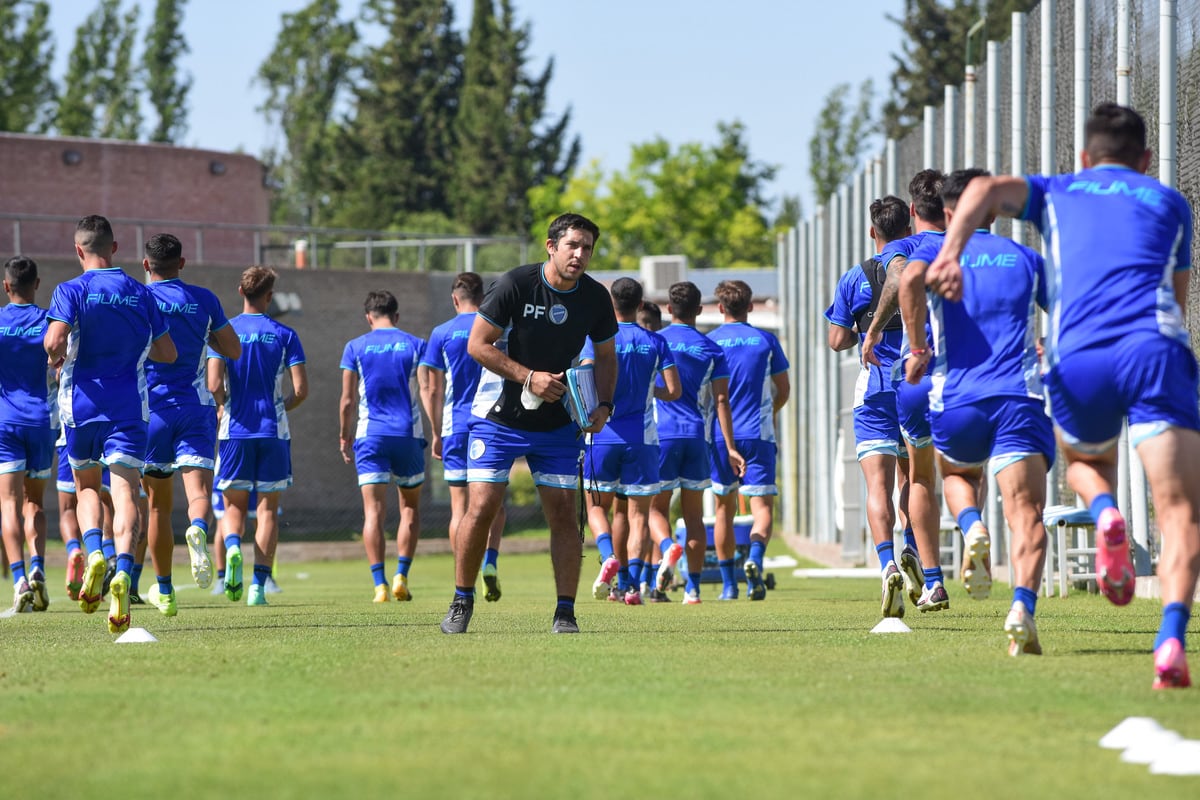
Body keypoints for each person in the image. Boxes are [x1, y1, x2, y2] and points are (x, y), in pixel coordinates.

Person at [926, 104, 1199, 688]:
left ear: (1083, 158)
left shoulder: (1056, 192)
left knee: (1085, 464)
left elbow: (987, 189)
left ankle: (1104, 512)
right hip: (1154, 349)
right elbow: (1175, 296)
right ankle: (1171, 639)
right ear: (1146, 160)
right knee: (1181, 512)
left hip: (1077, 358)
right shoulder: (1171, 202)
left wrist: (949, 251)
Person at [440, 213, 618, 635]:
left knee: (562, 513)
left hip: (559, 423)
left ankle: (565, 612)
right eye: (572, 244)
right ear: (551, 246)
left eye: (587, 247)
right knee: (481, 507)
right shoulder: (515, 284)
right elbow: (477, 345)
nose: (579, 254)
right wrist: (528, 377)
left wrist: (604, 405)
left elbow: (607, 357)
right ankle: (461, 600)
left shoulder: (594, 298)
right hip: (498, 417)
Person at [900, 168, 1053, 655]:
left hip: (957, 400)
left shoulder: (937, 254)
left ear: (948, 213)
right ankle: (1022, 608)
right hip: (1018, 399)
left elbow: (907, 281)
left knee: (956, 475)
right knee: (1026, 511)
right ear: (995, 209)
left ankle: (972, 526)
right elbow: (1068, 314)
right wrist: (1049, 347)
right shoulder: (1028, 259)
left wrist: (917, 347)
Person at [44, 215, 176, 634]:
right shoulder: (142, 292)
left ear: (78, 249)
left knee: (86, 486)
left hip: (81, 407)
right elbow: (168, 353)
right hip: (128, 408)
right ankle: (122, 567)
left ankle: (94, 551)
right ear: (115, 249)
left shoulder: (71, 289)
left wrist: (55, 357)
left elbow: (53, 340)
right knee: (125, 490)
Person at [825, 196, 920, 618]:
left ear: (872, 232)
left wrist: (864, 327)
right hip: (917, 382)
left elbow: (836, 340)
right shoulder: (924, 263)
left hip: (874, 387)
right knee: (914, 479)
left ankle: (885, 565)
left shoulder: (854, 277)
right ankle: (913, 548)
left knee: (875, 487)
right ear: (910, 226)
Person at [863, 169, 951, 612]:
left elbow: (898, 280)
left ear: (914, 210)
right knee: (970, 474)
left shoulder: (903, 248)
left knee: (917, 478)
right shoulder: (974, 246)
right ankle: (973, 530)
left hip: (913, 376)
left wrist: (874, 330)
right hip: (973, 377)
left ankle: (931, 579)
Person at [141, 234, 241, 617]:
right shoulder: (204, 298)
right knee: (198, 492)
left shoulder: (140, 298)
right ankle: (198, 526)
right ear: (181, 264)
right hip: (197, 408)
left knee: (156, 508)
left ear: (146, 265)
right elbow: (233, 349)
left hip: (152, 412)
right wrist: (206, 333)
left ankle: (164, 591)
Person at [207, 266, 307, 607]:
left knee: (232, 506)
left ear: (240, 291)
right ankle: (257, 589)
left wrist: (223, 405)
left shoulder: (225, 333)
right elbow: (300, 390)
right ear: (270, 296)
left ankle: (232, 546)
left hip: (234, 430)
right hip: (273, 430)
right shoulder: (285, 334)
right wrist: (280, 407)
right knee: (267, 511)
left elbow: (213, 385)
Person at [582, 277, 680, 606]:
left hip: (601, 434)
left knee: (597, 506)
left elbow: (582, 379)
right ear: (640, 306)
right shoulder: (656, 342)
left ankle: (608, 555)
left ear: (611, 305)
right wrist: (651, 390)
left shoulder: (595, 340)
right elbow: (674, 390)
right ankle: (632, 586)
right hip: (643, 438)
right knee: (637, 516)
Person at [647, 281, 744, 605]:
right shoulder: (712, 349)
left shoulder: (656, 341)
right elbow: (721, 401)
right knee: (693, 517)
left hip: (662, 435)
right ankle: (693, 589)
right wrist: (729, 447)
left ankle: (666, 549)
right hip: (697, 437)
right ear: (700, 310)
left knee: (655, 509)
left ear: (669, 310)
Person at [418, 273, 507, 602]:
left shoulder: (441, 332)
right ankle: (491, 561)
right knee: (494, 504)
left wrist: (436, 431)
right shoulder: (496, 329)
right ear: (482, 299)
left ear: (455, 299)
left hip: (456, 426)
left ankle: (463, 573)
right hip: (493, 422)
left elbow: (431, 387)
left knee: (460, 509)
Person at [339, 290, 428, 604]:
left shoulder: (355, 347)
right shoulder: (417, 345)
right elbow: (427, 388)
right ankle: (401, 576)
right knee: (410, 509)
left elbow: (348, 400)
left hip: (370, 436)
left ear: (368, 317)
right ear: (397, 315)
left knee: (373, 512)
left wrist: (344, 436)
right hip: (407, 435)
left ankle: (379, 586)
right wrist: (438, 433)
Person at [708, 279, 789, 600]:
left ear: (720, 308)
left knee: (723, 510)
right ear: (751, 306)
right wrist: (770, 415)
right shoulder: (766, 341)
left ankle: (729, 586)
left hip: (719, 436)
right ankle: (754, 558)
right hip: (758, 433)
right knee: (762, 507)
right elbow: (783, 391)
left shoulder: (710, 343)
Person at [0, 256, 54, 613]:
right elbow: (59, 363)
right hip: (41, 421)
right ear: (36, 284)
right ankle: (38, 567)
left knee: (8, 503)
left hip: (5, 423)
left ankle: (19, 577)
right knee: (34, 502)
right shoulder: (49, 320)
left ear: (7, 286)